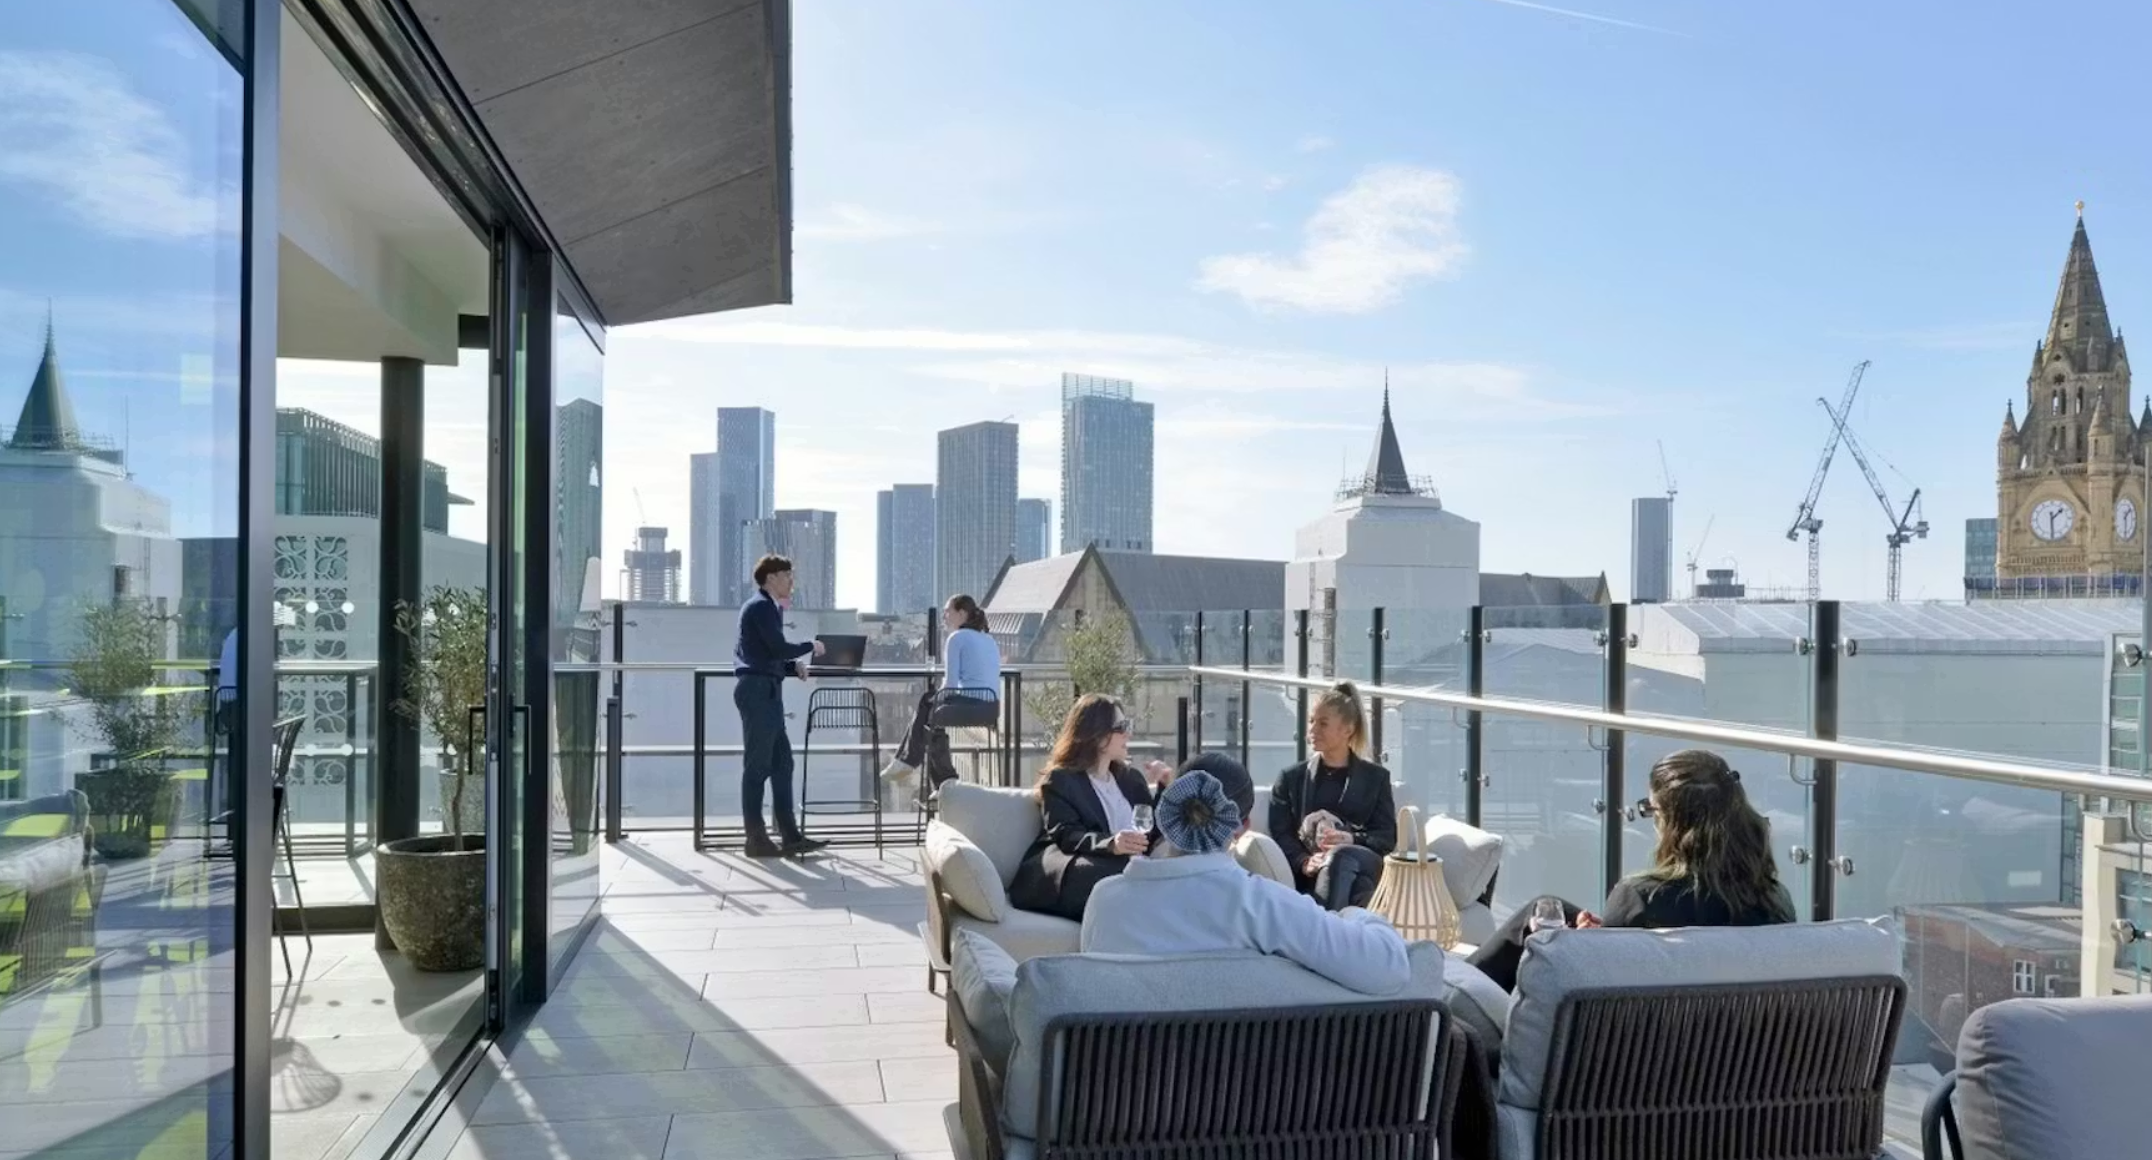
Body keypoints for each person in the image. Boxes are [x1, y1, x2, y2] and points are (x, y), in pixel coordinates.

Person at [1465, 748, 1797, 992]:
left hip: (1640, 1050)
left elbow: (1601, 986)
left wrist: (1580, 948)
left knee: (1535, 922)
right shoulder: (1775, 901)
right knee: (1550, 907)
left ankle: (1461, 989)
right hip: (1734, 1046)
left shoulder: (1642, 897)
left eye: (1651, 810)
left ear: (1672, 822)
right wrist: (1605, 939)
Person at [1081, 761, 1411, 995]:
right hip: (1239, 1074)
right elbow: (1389, 968)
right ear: (1242, 827)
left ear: (1165, 812)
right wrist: (1354, 914)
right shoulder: (1262, 905)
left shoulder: (1105, 901)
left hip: (1129, 1074)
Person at [1008, 694, 1173, 921]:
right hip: (1075, 865)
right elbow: (1066, 834)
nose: (1128, 734)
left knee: (1152, 871)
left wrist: (1164, 787)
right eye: (1121, 727)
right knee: (1121, 874)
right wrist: (1111, 843)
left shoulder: (1131, 779)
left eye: (1128, 726)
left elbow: (1151, 834)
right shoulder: (1061, 780)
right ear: (1096, 734)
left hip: (1125, 868)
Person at [1267, 682, 1397, 911]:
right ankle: (1350, 926)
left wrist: (1352, 839)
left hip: (1365, 861)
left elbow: (1386, 837)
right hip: (1316, 871)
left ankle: (1323, 926)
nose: (1313, 730)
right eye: (1311, 721)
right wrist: (1303, 861)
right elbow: (1281, 832)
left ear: (1348, 729)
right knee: (1361, 890)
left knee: (1340, 856)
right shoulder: (1291, 778)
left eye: (1323, 723)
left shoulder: (1376, 778)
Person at [733, 554, 828, 858]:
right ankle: (756, 839)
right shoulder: (760, 607)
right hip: (758, 692)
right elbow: (776, 647)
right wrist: (810, 646)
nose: (791, 581)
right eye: (787, 575)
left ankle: (790, 836)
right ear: (771, 577)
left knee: (783, 763)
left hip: (767, 691)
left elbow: (764, 654)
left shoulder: (768, 608)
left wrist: (791, 666)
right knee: (757, 767)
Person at [879, 594, 1001, 794]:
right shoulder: (989, 639)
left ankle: (916, 765)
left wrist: (935, 698)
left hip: (970, 703)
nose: (944, 616)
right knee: (931, 715)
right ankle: (938, 781)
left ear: (962, 613)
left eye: (947, 611)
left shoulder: (957, 638)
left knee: (928, 703)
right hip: (991, 706)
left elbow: (950, 684)